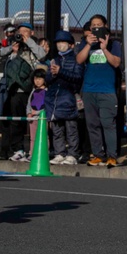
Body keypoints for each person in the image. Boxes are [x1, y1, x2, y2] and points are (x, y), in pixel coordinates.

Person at [75, 14, 123, 167]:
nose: (96, 28)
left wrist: (104, 48)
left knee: (108, 124)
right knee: (92, 124)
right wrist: (89, 45)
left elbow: (116, 63)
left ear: (105, 26)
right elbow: (79, 60)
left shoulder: (114, 44)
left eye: (99, 25)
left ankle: (112, 156)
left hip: (107, 90)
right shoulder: (86, 42)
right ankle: (97, 155)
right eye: (93, 26)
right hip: (89, 90)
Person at [45, 30, 83, 165]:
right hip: (54, 99)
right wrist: (52, 74)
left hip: (69, 98)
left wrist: (60, 71)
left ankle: (73, 154)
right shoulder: (54, 60)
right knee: (57, 129)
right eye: (58, 42)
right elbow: (47, 79)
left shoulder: (76, 59)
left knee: (71, 129)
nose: (60, 45)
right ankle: (59, 153)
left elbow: (78, 77)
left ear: (71, 44)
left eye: (63, 42)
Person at [0, 39, 33, 161]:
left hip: (29, 92)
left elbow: (33, 71)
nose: (18, 46)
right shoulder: (10, 57)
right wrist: (12, 49)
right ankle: (18, 149)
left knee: (32, 122)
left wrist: (24, 84)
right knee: (16, 121)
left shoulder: (31, 55)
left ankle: (33, 150)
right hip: (14, 93)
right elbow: (1, 52)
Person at [27, 69, 47, 159]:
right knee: (33, 137)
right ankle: (32, 154)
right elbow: (29, 103)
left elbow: (46, 105)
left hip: (43, 118)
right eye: (35, 79)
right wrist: (29, 113)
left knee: (44, 137)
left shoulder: (47, 91)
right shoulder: (33, 91)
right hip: (32, 117)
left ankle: (44, 153)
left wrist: (37, 112)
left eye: (39, 79)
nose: (37, 81)